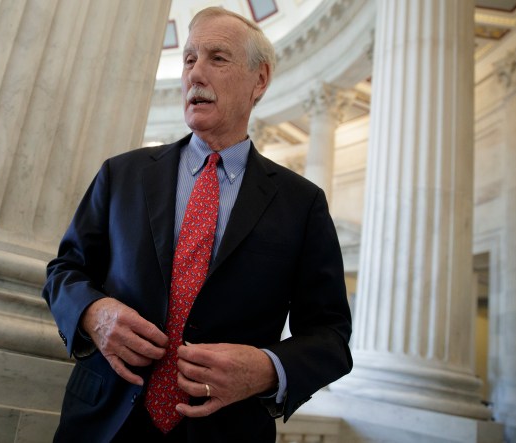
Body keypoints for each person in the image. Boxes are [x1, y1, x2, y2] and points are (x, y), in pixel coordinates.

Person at [43, 7, 352, 442]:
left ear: (258, 80)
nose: (195, 74)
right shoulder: (122, 174)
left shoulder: (302, 204)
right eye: (189, 59)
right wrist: (93, 313)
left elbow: (330, 336)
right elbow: (64, 272)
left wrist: (266, 369)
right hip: (102, 422)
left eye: (217, 58)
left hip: (227, 431)